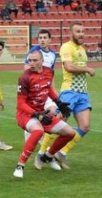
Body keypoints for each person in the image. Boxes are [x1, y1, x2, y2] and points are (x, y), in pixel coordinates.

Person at [13, 50, 77, 179]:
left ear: (42, 61)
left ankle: (47, 156)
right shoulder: (24, 77)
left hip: (40, 114)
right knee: (38, 131)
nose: (31, 63)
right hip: (25, 115)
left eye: (35, 60)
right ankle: (20, 166)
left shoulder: (49, 72)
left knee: (70, 133)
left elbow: (48, 90)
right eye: (29, 60)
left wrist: (60, 103)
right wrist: (37, 115)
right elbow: (21, 104)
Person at [49, 22, 95, 168]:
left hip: (82, 92)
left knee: (85, 126)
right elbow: (68, 67)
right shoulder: (66, 47)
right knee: (57, 123)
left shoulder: (82, 49)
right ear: (71, 33)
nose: (81, 34)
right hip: (69, 91)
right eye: (78, 31)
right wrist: (86, 69)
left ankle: (61, 152)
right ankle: (43, 153)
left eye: (83, 31)